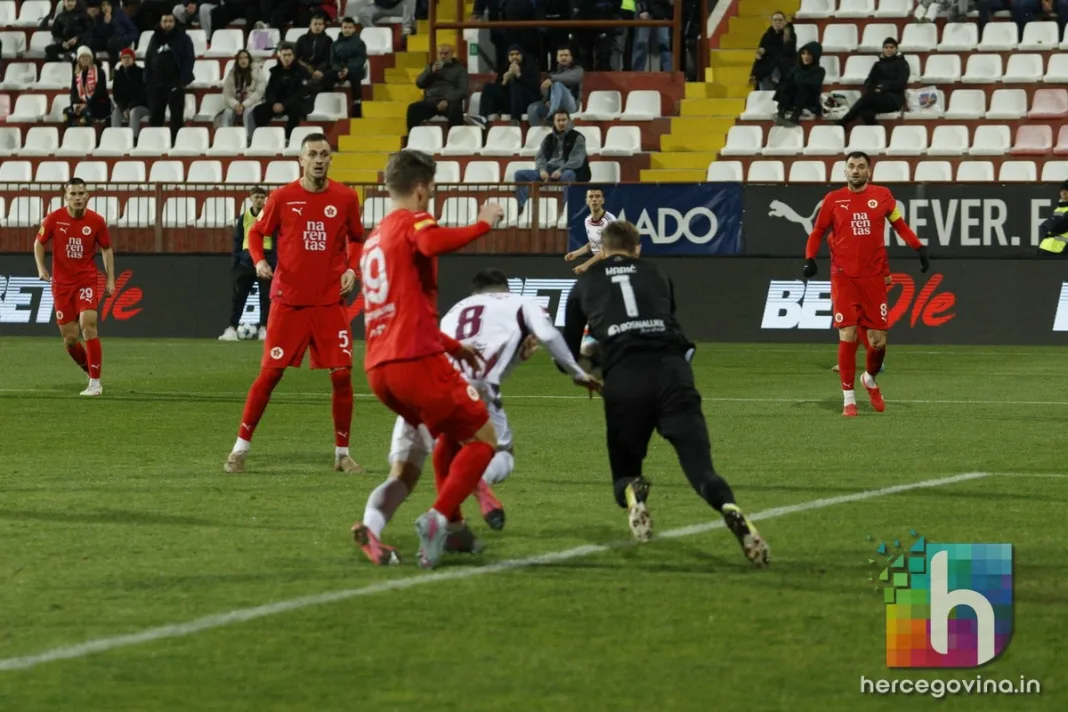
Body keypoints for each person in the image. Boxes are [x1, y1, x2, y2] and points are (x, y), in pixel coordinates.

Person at [352, 268, 597, 565]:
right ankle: (464, 496)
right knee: (499, 454)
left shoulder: (456, 309)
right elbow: (546, 334)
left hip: (423, 386)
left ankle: (373, 529)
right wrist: (578, 373)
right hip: (467, 393)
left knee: (403, 476)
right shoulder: (521, 302)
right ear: (507, 289)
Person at [561, 220, 769, 567]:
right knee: (703, 472)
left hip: (624, 379)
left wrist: (590, 369)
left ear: (603, 251)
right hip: (672, 372)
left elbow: (567, 355)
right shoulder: (657, 274)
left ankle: (633, 494)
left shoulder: (584, 283)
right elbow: (665, 321)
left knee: (625, 474)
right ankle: (728, 507)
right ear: (637, 248)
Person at [359, 149, 512, 570]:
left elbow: (400, 312)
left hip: (379, 370)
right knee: (484, 438)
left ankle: (457, 527)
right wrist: (485, 223)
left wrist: (453, 346)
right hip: (414, 362)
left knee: (449, 436)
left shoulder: (376, 238)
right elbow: (430, 240)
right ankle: (439, 519)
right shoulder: (414, 223)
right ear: (423, 189)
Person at [223, 133, 365, 474]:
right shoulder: (283, 197)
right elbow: (256, 232)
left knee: (342, 375)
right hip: (289, 301)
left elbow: (357, 238)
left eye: (324, 154)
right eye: (312, 154)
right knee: (270, 375)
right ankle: (239, 450)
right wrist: (258, 260)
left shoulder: (345, 197)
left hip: (330, 302)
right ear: (301, 160)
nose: (319, 159)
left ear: (331, 159)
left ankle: (342, 455)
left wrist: (351, 267)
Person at [802, 152, 929, 416]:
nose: (856, 171)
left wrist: (918, 248)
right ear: (845, 172)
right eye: (851, 167)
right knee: (847, 334)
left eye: (861, 167)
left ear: (869, 172)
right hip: (843, 277)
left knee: (878, 341)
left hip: (873, 278)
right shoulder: (833, 200)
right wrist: (810, 259)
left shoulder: (883, 196)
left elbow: (899, 225)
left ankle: (869, 379)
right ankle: (848, 398)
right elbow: (817, 232)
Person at [33, 178, 115, 397]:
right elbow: (39, 243)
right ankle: (92, 372)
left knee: (88, 325)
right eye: (73, 194)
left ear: (87, 196)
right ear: (66, 197)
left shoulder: (96, 221)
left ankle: (95, 383)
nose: (78, 198)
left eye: (81, 193)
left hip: (86, 281)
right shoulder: (54, 219)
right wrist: (41, 268)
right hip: (61, 285)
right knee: (70, 339)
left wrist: (110, 279)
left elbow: (107, 249)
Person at [220, 187, 275, 341]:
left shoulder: (271, 217)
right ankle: (232, 328)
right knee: (239, 296)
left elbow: (277, 239)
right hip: (246, 260)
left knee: (266, 297)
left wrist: (274, 261)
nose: (259, 200)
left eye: (261, 197)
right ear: (250, 198)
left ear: (266, 199)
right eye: (256, 196)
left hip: (266, 258)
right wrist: (235, 263)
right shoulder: (244, 217)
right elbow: (237, 240)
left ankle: (264, 328)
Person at [513, 110, 589, 208]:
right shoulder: (548, 138)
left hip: (566, 171)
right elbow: (540, 156)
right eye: (558, 120)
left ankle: (567, 207)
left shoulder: (578, 137)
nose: (561, 123)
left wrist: (561, 170)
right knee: (520, 175)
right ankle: (523, 207)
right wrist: (542, 170)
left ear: (569, 121)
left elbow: (576, 160)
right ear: (554, 122)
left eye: (564, 120)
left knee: (569, 174)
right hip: (549, 171)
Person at [836, 37, 909, 129]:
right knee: (864, 110)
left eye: (891, 47)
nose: (889, 50)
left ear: (896, 49)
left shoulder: (902, 63)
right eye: (886, 47)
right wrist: (874, 88)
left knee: (865, 99)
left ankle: (842, 123)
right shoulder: (877, 65)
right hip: (876, 97)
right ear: (883, 49)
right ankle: (877, 130)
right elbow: (868, 81)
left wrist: (882, 88)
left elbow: (901, 83)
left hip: (893, 99)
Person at [143, 13, 195, 142]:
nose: (167, 24)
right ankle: (155, 144)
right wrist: (147, 80)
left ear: (175, 22)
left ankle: (175, 144)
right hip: (156, 84)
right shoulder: (155, 38)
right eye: (165, 21)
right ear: (160, 23)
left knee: (176, 118)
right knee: (155, 117)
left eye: (170, 21)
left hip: (175, 83)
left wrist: (182, 81)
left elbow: (189, 59)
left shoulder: (183, 38)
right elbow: (148, 58)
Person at [464, 44, 540, 129]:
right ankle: (483, 118)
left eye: (517, 54)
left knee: (516, 85)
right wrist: (504, 81)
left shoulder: (530, 66)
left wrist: (519, 75)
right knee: (488, 87)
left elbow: (535, 86)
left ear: (522, 55)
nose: (514, 57)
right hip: (509, 103)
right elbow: (499, 89)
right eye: (511, 55)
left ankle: (515, 120)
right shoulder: (505, 67)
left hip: (526, 101)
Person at [251, 43, 313, 141]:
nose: (287, 58)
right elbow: (270, 90)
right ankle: (265, 138)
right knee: (258, 111)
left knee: (296, 110)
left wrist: (284, 104)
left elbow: (300, 93)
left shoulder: (302, 71)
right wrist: (273, 103)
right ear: (280, 56)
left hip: (294, 103)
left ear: (294, 56)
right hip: (277, 103)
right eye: (284, 55)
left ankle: (289, 138)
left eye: (289, 55)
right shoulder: (275, 71)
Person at [406, 44, 468, 133]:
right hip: (431, 102)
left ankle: (455, 138)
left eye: (446, 54)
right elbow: (419, 83)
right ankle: (413, 136)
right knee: (413, 109)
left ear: (452, 54)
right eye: (441, 53)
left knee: (456, 111)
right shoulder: (431, 66)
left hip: (449, 103)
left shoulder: (459, 69)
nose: (443, 56)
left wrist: (447, 100)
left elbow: (463, 90)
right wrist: (431, 72)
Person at [527, 47, 583, 127]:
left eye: (566, 55)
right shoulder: (552, 73)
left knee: (557, 85)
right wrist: (546, 100)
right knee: (532, 108)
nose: (563, 57)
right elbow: (544, 90)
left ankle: (551, 116)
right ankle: (539, 132)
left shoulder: (577, 70)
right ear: (557, 58)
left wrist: (553, 79)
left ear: (571, 57)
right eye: (561, 55)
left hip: (570, 105)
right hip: (553, 104)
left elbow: (572, 78)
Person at [565, 187, 615, 276]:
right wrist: (576, 253)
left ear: (603, 200)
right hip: (599, 264)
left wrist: (586, 265)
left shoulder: (610, 220)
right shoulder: (587, 220)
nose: (594, 199)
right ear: (587, 201)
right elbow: (593, 243)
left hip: (613, 265)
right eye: (591, 197)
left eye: (597, 196)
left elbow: (606, 249)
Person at [773, 41, 824, 127]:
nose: (805, 57)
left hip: (810, 101)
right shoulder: (796, 69)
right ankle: (781, 113)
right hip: (794, 100)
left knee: (803, 86)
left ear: (815, 56)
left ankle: (795, 117)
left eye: (809, 54)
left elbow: (814, 84)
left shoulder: (820, 71)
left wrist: (798, 82)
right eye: (803, 54)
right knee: (786, 84)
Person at [217, 49, 264, 133]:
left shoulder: (257, 71)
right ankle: (225, 137)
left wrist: (244, 105)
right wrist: (235, 105)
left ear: (249, 60)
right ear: (237, 60)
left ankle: (249, 139)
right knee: (228, 112)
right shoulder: (232, 73)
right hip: (236, 104)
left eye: (245, 57)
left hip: (252, 103)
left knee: (248, 112)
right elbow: (227, 94)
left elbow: (259, 92)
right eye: (240, 58)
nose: (243, 60)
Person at [66, 45, 112, 126]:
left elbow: (100, 92)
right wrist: (75, 104)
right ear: (78, 60)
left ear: (91, 58)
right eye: (82, 57)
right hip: (82, 104)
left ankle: (88, 135)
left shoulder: (99, 72)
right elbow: (73, 92)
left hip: (98, 104)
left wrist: (87, 104)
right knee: (67, 113)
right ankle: (70, 134)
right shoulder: (77, 74)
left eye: (86, 57)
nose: (84, 59)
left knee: (86, 112)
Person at [749, 11, 794, 91]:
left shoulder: (789, 34)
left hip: (784, 68)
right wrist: (754, 73)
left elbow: (787, 51)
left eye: (780, 20)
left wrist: (766, 50)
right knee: (764, 76)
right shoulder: (766, 36)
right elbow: (759, 56)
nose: (777, 22)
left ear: (784, 22)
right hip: (767, 70)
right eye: (775, 20)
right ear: (772, 22)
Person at [111, 47, 150, 138]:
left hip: (141, 106)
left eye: (128, 57)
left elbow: (142, 94)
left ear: (133, 59)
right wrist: (123, 108)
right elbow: (116, 94)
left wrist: (129, 107)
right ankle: (114, 137)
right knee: (116, 111)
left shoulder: (141, 73)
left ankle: (133, 138)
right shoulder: (118, 75)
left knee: (134, 112)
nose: (126, 60)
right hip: (125, 107)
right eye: (124, 58)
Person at [1036, 180, 1068, 257]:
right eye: (1062, 190)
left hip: (1061, 250)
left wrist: (1049, 226)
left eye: (1067, 190)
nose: (1063, 192)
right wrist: (1050, 225)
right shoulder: (1058, 209)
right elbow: (1043, 227)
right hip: (1045, 247)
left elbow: (1059, 227)